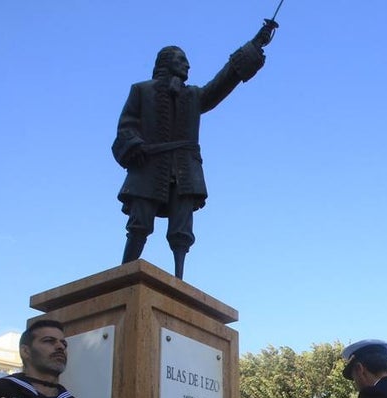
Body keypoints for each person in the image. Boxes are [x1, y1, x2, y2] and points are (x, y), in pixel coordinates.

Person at [113, 21, 277, 279]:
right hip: (150, 164)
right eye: (182, 59)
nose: (188, 65)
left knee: (182, 230)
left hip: (184, 168)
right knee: (139, 223)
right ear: (167, 62)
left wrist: (254, 45)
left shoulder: (193, 96)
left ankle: (179, 279)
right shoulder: (141, 90)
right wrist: (134, 143)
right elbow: (127, 125)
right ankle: (122, 274)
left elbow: (223, 81)